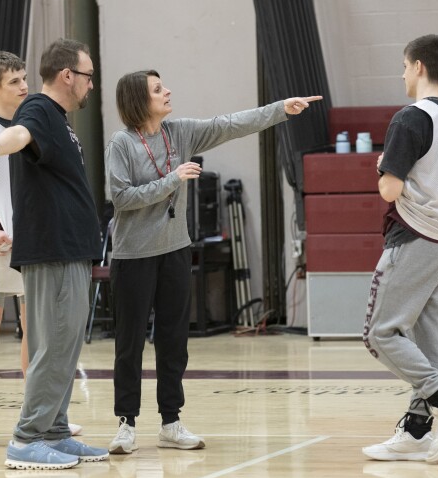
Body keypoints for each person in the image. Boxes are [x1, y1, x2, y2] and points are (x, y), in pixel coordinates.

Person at [104, 69, 321, 454]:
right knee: (130, 344)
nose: (168, 91)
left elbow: (229, 124)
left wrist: (280, 109)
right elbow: (121, 198)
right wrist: (172, 180)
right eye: (158, 89)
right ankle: (126, 423)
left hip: (175, 251)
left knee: (174, 342)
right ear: (139, 100)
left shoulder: (180, 132)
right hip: (133, 256)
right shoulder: (121, 144)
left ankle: (171, 422)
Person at [0, 38, 108, 470]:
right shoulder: (39, 109)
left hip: (69, 249)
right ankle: (26, 439)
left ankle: (55, 432)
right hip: (51, 249)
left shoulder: (57, 118)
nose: (91, 84)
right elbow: (18, 135)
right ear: (68, 76)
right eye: (88, 76)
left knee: (65, 344)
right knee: (51, 344)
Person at [361, 34, 438, 464]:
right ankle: (416, 430)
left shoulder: (410, 118)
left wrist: (381, 169)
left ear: (419, 67)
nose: (402, 74)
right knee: (430, 341)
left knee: (380, 333)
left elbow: (389, 190)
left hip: (414, 237)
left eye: (404, 66)